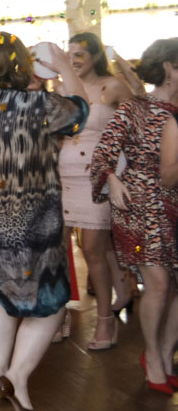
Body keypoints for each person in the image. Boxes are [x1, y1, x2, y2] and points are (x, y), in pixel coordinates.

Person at [0, 31, 88, 411]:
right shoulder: (38, 105)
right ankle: (18, 375)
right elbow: (82, 111)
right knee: (49, 304)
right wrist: (63, 66)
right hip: (33, 219)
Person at [90, 38, 178, 394]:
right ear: (170, 68)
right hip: (141, 205)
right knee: (157, 285)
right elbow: (100, 156)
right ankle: (153, 357)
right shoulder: (135, 109)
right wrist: (111, 179)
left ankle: (167, 353)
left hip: (174, 205)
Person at [58, 32, 135, 349]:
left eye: (80, 54)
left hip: (99, 175)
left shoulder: (113, 86)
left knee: (93, 249)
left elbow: (135, 127)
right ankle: (57, 314)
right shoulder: (62, 88)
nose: (74, 59)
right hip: (64, 175)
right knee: (58, 250)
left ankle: (105, 321)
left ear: (95, 56)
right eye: (70, 53)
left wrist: (121, 170)